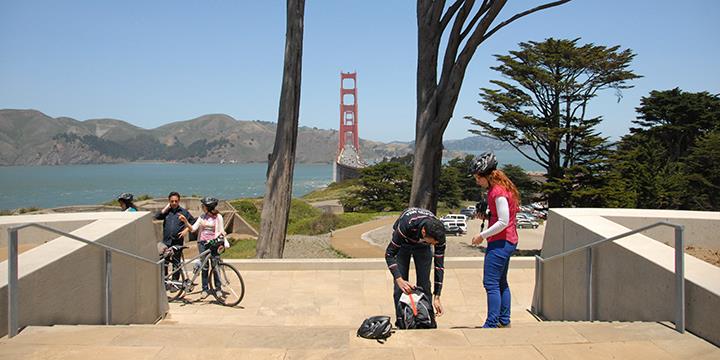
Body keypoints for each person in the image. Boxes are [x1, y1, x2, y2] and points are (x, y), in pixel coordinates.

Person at [469, 152, 520, 328]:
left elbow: (503, 221)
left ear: (485, 175)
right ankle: (503, 320)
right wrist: (488, 214)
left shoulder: (497, 191)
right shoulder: (501, 188)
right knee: (501, 282)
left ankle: (491, 323)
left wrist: (481, 236)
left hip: (501, 242)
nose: (477, 181)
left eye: (478, 178)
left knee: (490, 283)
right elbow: (503, 215)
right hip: (509, 240)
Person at [385, 207, 446, 328]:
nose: (434, 245)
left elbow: (439, 266)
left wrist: (437, 296)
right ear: (424, 232)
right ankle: (401, 321)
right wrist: (399, 279)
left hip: (422, 248)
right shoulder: (406, 224)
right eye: (432, 243)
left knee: (424, 285)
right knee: (400, 287)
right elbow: (389, 254)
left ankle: (428, 320)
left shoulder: (438, 235)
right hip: (403, 244)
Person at [179, 196, 226, 299]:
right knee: (204, 267)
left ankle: (218, 288)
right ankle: (205, 289)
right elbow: (193, 229)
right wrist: (186, 221)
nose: (202, 207)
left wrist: (220, 239)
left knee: (216, 265)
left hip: (214, 243)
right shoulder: (202, 217)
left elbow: (221, 231)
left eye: (203, 206)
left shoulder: (218, 217)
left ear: (208, 207)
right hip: (202, 243)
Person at [155, 192, 196, 281]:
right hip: (166, 241)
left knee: (176, 263)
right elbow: (156, 217)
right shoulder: (166, 212)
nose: (174, 203)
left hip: (177, 242)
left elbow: (193, 222)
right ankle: (164, 280)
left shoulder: (183, 212)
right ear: (169, 201)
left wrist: (186, 230)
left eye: (176, 201)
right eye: (172, 201)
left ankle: (175, 282)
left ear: (179, 201)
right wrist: (165, 208)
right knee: (164, 262)